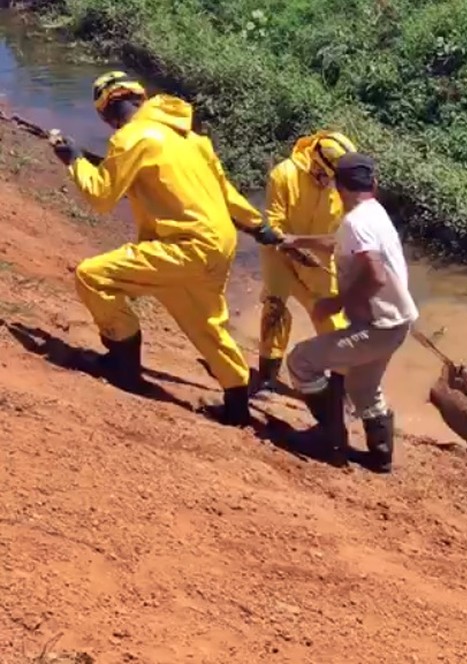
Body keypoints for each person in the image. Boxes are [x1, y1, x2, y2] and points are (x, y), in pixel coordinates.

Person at [49, 71, 285, 425]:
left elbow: (100, 196)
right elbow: (225, 192)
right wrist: (257, 225)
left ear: (106, 113)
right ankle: (237, 406)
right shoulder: (190, 139)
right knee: (206, 326)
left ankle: (122, 363)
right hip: (218, 244)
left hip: (181, 244)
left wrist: (73, 160)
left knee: (92, 277)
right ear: (140, 99)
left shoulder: (131, 138)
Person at [281, 153, 417, 473]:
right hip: (395, 324)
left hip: (377, 327)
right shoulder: (372, 213)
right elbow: (339, 243)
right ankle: (381, 456)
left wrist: (336, 302)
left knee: (301, 362)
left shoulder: (356, 222)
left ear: (337, 187)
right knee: (362, 389)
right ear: (374, 184)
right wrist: (297, 240)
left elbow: (376, 274)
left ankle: (330, 438)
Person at [256, 131, 357, 394]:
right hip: (279, 257)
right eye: (325, 176)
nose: (329, 184)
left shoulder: (343, 189)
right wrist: (290, 247)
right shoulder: (283, 175)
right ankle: (267, 377)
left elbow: (345, 236)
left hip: (319, 262)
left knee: (332, 320)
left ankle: (341, 387)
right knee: (275, 308)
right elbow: (273, 224)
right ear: (314, 161)